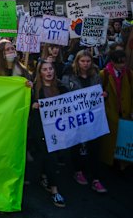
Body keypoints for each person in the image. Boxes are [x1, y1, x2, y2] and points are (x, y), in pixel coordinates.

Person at [60, 50, 108, 193]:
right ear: (77, 61)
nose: (85, 64)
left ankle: (95, 179)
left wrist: (105, 95)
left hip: (92, 117)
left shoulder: (96, 75)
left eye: (88, 61)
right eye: (82, 61)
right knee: (76, 145)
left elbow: (101, 92)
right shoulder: (69, 75)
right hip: (75, 117)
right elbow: (63, 92)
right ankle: (78, 171)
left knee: (94, 146)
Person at [31, 61, 68, 207]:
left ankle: (44, 176)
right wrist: (32, 105)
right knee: (50, 157)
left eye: (51, 68)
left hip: (57, 129)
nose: (48, 72)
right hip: (40, 129)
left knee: (47, 157)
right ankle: (54, 190)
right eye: (45, 69)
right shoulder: (33, 89)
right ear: (40, 72)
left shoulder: (61, 87)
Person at [99, 49, 133, 168]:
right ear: (113, 62)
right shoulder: (104, 74)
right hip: (110, 112)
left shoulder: (129, 74)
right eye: (119, 62)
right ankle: (109, 162)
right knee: (110, 141)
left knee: (123, 139)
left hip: (125, 112)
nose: (122, 65)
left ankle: (121, 164)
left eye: (124, 62)